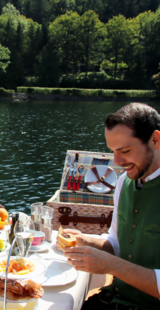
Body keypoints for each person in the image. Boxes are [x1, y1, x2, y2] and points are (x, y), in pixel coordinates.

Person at [57, 103, 160, 310]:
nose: (117, 161)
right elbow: (116, 244)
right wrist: (84, 240)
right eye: (113, 151)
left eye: (125, 151)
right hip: (114, 300)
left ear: (156, 139)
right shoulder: (124, 182)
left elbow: (114, 261)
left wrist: (111, 265)